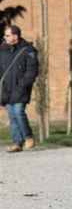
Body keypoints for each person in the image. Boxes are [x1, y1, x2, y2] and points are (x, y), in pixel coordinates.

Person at [0, 25, 38, 153]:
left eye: (7, 35)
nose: (4, 37)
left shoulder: (28, 50)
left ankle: (28, 137)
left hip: (21, 88)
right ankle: (17, 142)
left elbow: (32, 71)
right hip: (7, 90)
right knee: (12, 116)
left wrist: (22, 84)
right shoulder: (2, 50)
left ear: (15, 36)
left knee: (19, 112)